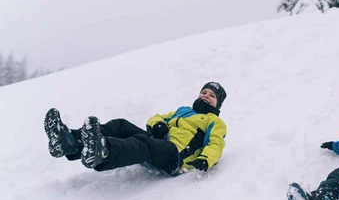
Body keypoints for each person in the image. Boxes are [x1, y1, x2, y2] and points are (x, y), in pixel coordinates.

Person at [44, 82, 227, 175]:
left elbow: (216, 144)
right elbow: (157, 117)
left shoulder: (214, 122)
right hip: (159, 142)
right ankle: (69, 143)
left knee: (143, 143)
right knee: (121, 125)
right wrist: (159, 124)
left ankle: (103, 152)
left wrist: (205, 159)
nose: (205, 96)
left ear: (217, 104)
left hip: (175, 156)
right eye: (203, 92)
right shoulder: (183, 111)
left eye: (211, 95)